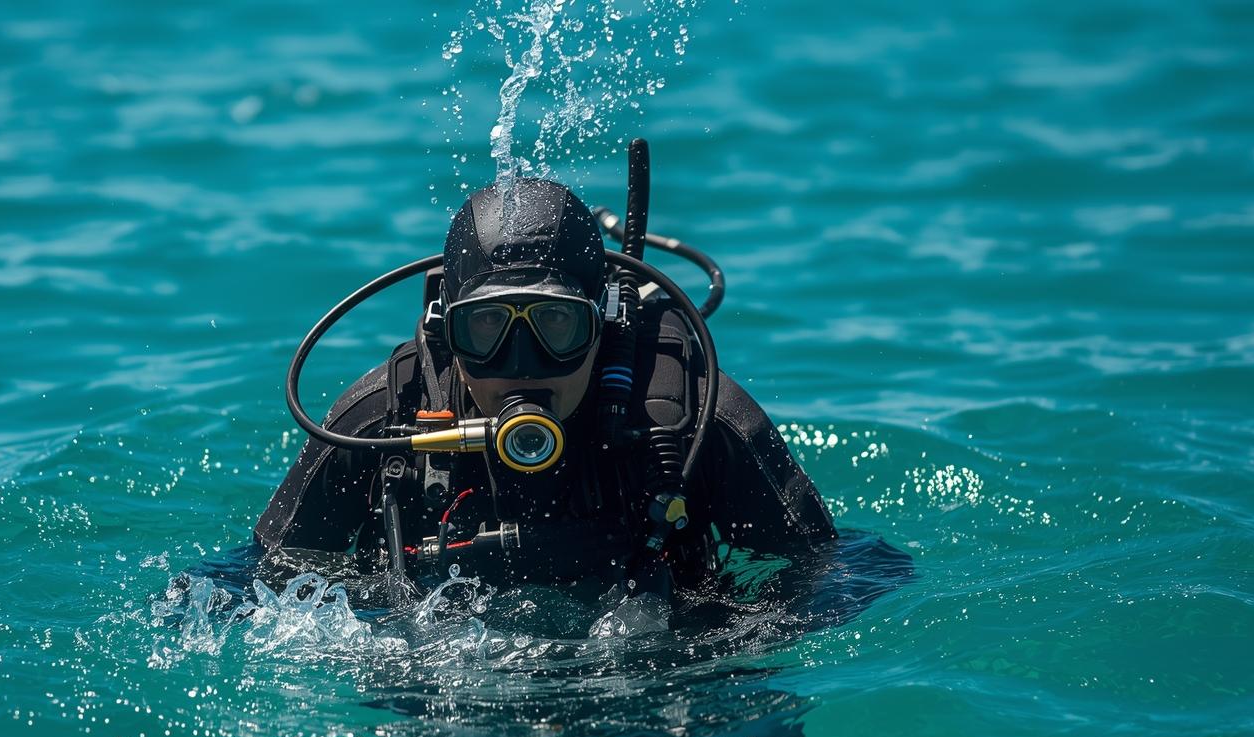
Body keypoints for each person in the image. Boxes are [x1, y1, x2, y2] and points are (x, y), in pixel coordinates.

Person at [251, 175, 836, 621]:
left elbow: (829, 575)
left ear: (603, 322)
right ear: (445, 331)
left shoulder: (699, 421)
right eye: (487, 328)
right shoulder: (379, 423)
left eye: (557, 324)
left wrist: (708, 645)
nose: (521, 364)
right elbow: (263, 578)